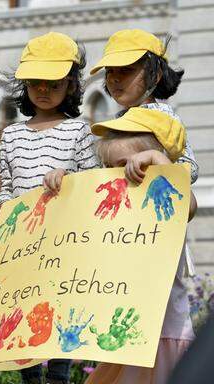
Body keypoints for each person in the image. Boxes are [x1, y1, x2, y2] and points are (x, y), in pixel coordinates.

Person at [0, 32, 99, 384]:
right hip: (22, 243)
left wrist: (67, 179)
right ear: (23, 85)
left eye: (53, 82)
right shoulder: (10, 134)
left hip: (64, 242)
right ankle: (29, 378)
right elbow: (5, 185)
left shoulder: (79, 130)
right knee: (22, 310)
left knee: (58, 309)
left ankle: (58, 376)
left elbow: (93, 181)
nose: (43, 89)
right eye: (35, 82)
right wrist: (8, 211)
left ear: (71, 85)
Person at [84, 107, 197, 384]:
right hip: (129, 337)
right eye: (109, 168)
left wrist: (158, 160)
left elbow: (189, 205)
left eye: (126, 164)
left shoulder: (165, 204)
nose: (117, 176)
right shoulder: (117, 211)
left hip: (165, 331)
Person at [89, 29, 199, 185]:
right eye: (110, 71)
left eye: (126, 70)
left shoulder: (165, 119)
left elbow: (190, 171)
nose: (114, 78)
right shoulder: (118, 120)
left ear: (156, 75)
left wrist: (154, 158)